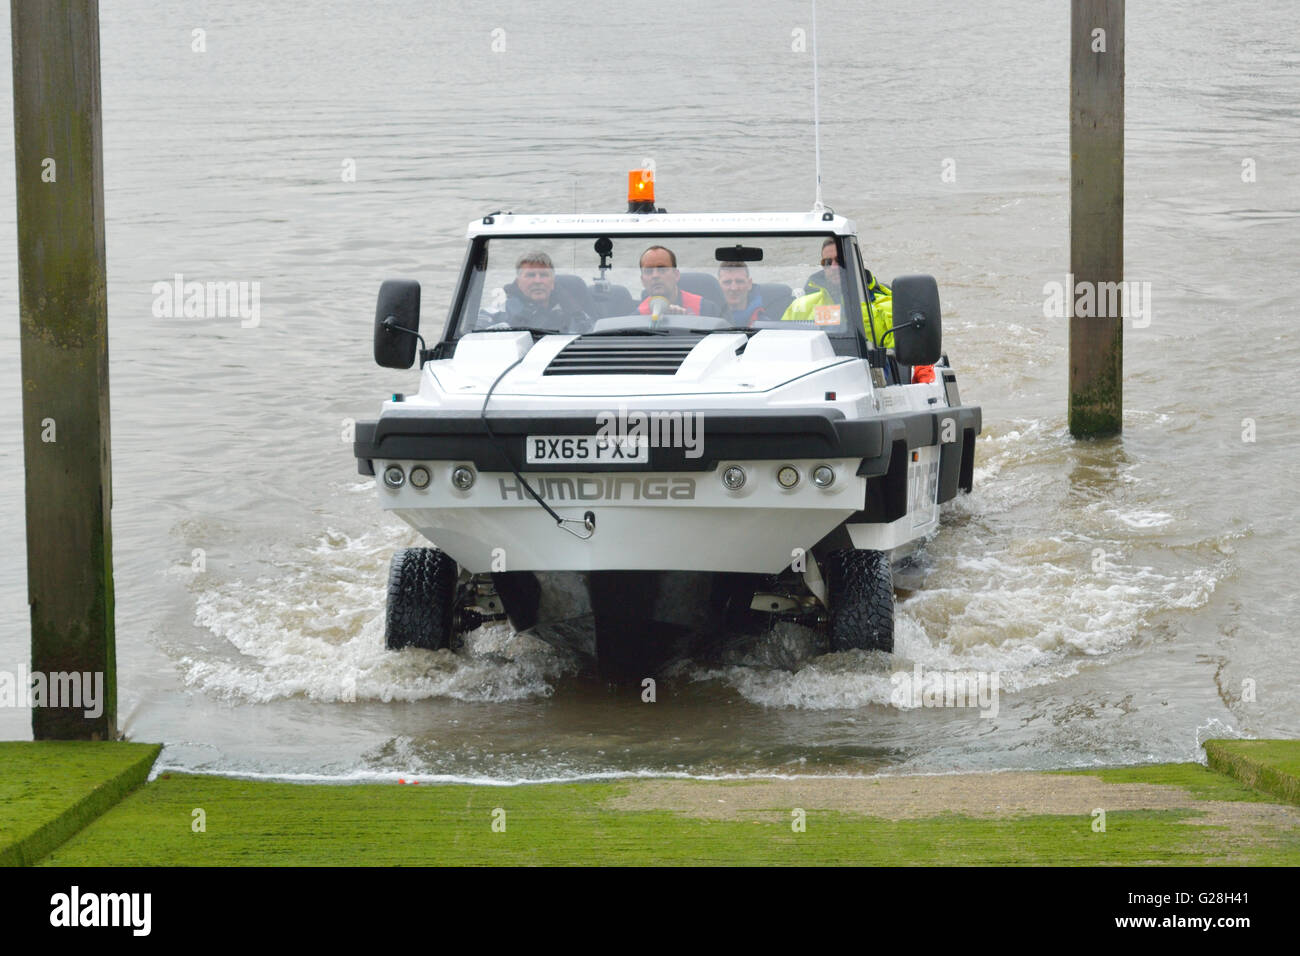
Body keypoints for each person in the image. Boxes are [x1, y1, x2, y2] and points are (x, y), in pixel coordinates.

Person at [782, 239, 933, 383]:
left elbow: (914, 345)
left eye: (839, 261)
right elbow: (780, 345)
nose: (833, 267)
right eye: (827, 262)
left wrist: (923, 371)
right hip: (809, 379)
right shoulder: (800, 307)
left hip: (869, 381)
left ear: (855, 264)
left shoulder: (886, 305)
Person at [484, 252, 591, 332]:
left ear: (553, 281)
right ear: (518, 281)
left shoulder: (573, 309)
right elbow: (479, 327)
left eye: (543, 275)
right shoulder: (502, 307)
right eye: (530, 275)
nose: (537, 281)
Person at [637, 246, 722, 317]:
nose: (655, 276)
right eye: (648, 271)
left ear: (676, 275)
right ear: (643, 281)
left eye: (662, 269)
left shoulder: (706, 310)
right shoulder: (636, 318)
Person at [717, 261, 765, 325]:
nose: (734, 288)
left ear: (749, 284)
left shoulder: (763, 322)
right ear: (718, 285)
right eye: (727, 282)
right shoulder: (708, 314)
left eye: (739, 281)